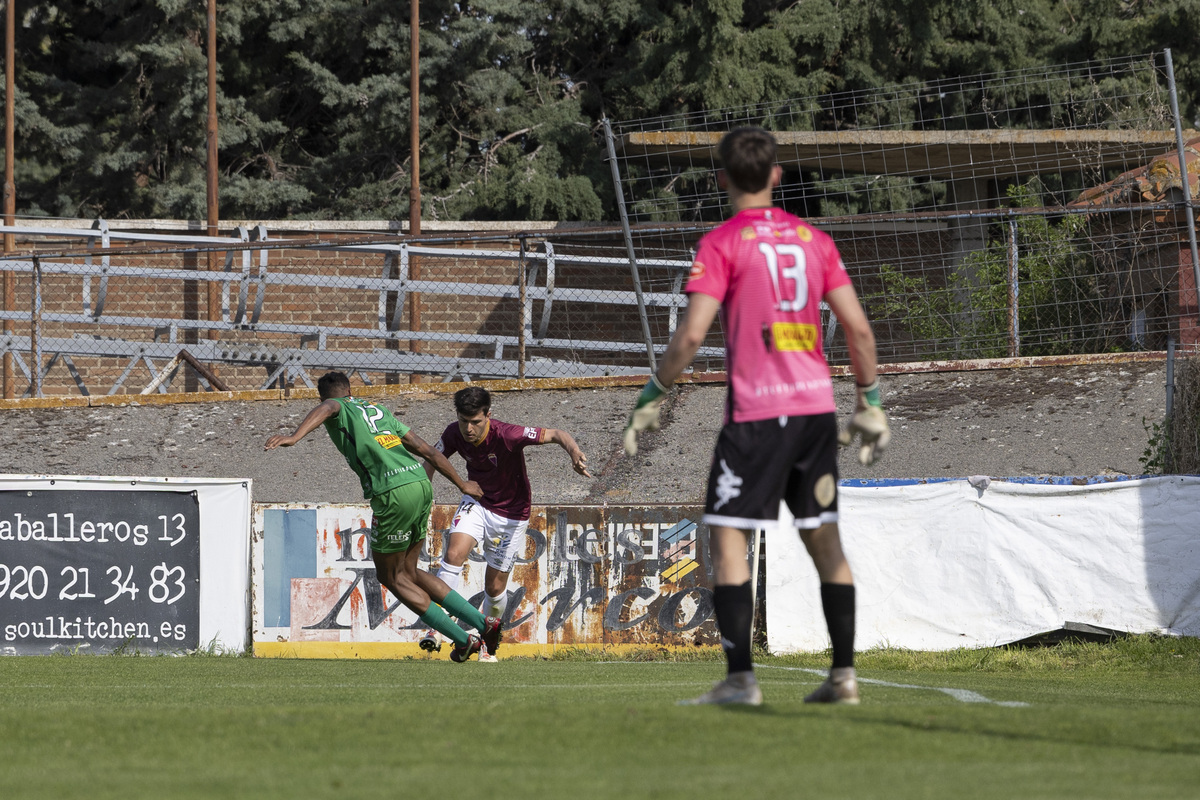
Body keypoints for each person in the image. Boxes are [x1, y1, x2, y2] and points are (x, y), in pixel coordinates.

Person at [622, 127, 890, 706]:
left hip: (757, 417)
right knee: (825, 539)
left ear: (721, 179)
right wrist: (869, 401)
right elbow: (859, 329)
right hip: (816, 412)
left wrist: (652, 394)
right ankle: (844, 676)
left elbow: (691, 335)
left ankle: (741, 679)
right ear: (776, 176)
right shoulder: (815, 241)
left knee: (729, 537)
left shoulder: (721, 243)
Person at [264, 371, 502, 662]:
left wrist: (294, 436)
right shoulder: (377, 410)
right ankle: (484, 622)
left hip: (392, 494)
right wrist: (461, 484)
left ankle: (464, 640)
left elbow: (330, 407)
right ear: (351, 389)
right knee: (411, 572)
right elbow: (426, 449)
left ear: (323, 395)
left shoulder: (338, 408)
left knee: (390, 576)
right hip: (419, 483)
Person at [418, 386, 592, 659]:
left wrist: (574, 452)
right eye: (464, 421)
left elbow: (557, 434)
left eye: (475, 422)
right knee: (453, 554)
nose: (469, 428)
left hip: (511, 514)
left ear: (488, 415)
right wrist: (420, 493)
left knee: (494, 588)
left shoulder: (508, 434)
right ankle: (437, 628)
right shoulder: (453, 432)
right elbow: (432, 458)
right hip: (477, 502)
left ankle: (487, 644)